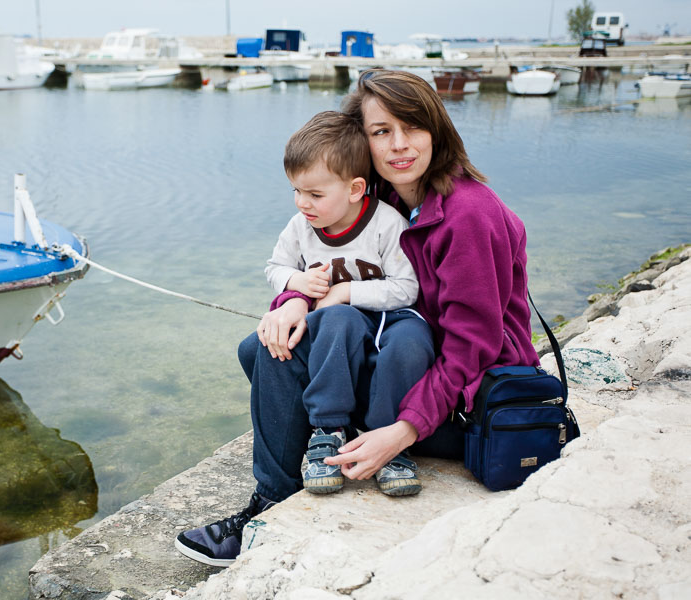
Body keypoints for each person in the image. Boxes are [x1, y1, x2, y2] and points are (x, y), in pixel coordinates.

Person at [174, 69, 540, 568]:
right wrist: (291, 303)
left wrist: (403, 431)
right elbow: (324, 265)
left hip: (465, 403)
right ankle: (272, 501)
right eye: (381, 131)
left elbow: (470, 348)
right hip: (405, 369)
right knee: (266, 348)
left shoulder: (467, 214)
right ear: (362, 143)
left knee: (284, 364)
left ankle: (272, 511)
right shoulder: (385, 198)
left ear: (437, 128)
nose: (399, 145)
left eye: (412, 127)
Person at [265, 110, 420, 495]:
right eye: (296, 190)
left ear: (354, 190)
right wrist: (296, 282)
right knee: (336, 320)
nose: (303, 203)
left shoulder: (386, 224)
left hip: (389, 316)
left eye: (315, 194)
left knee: (412, 341)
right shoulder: (300, 227)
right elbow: (275, 267)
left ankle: (388, 442)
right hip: (337, 324)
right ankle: (328, 430)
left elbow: (407, 288)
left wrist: (346, 292)